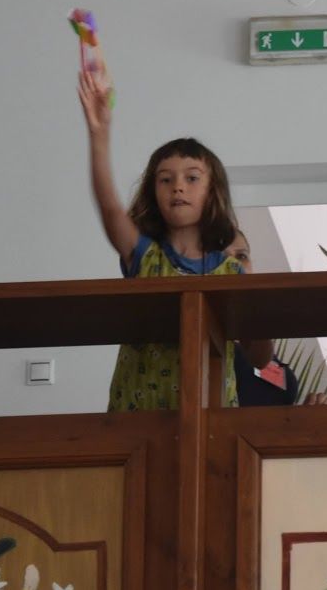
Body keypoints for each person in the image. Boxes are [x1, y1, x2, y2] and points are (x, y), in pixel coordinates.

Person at [78, 69, 269, 409]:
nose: (178, 187)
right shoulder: (143, 255)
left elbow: (259, 357)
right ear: (153, 191)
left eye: (192, 178)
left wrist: (264, 316)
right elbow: (109, 207)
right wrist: (99, 133)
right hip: (138, 418)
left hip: (208, 421)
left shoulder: (231, 272)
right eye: (165, 180)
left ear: (212, 191)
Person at [225, 231, 302, 406]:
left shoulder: (256, 338)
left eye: (241, 256)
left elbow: (281, 390)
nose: (234, 264)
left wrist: (306, 414)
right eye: (221, 257)